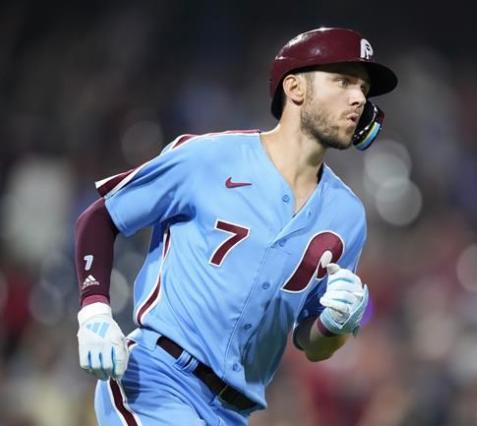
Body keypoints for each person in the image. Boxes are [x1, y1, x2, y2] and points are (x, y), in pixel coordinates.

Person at [74, 27, 398, 425]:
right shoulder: (210, 158)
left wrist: (335, 326)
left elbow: (310, 342)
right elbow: (102, 216)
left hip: (232, 413)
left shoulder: (347, 217)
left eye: (364, 88)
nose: (359, 98)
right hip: (157, 380)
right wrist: (94, 311)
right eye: (344, 81)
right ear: (295, 88)